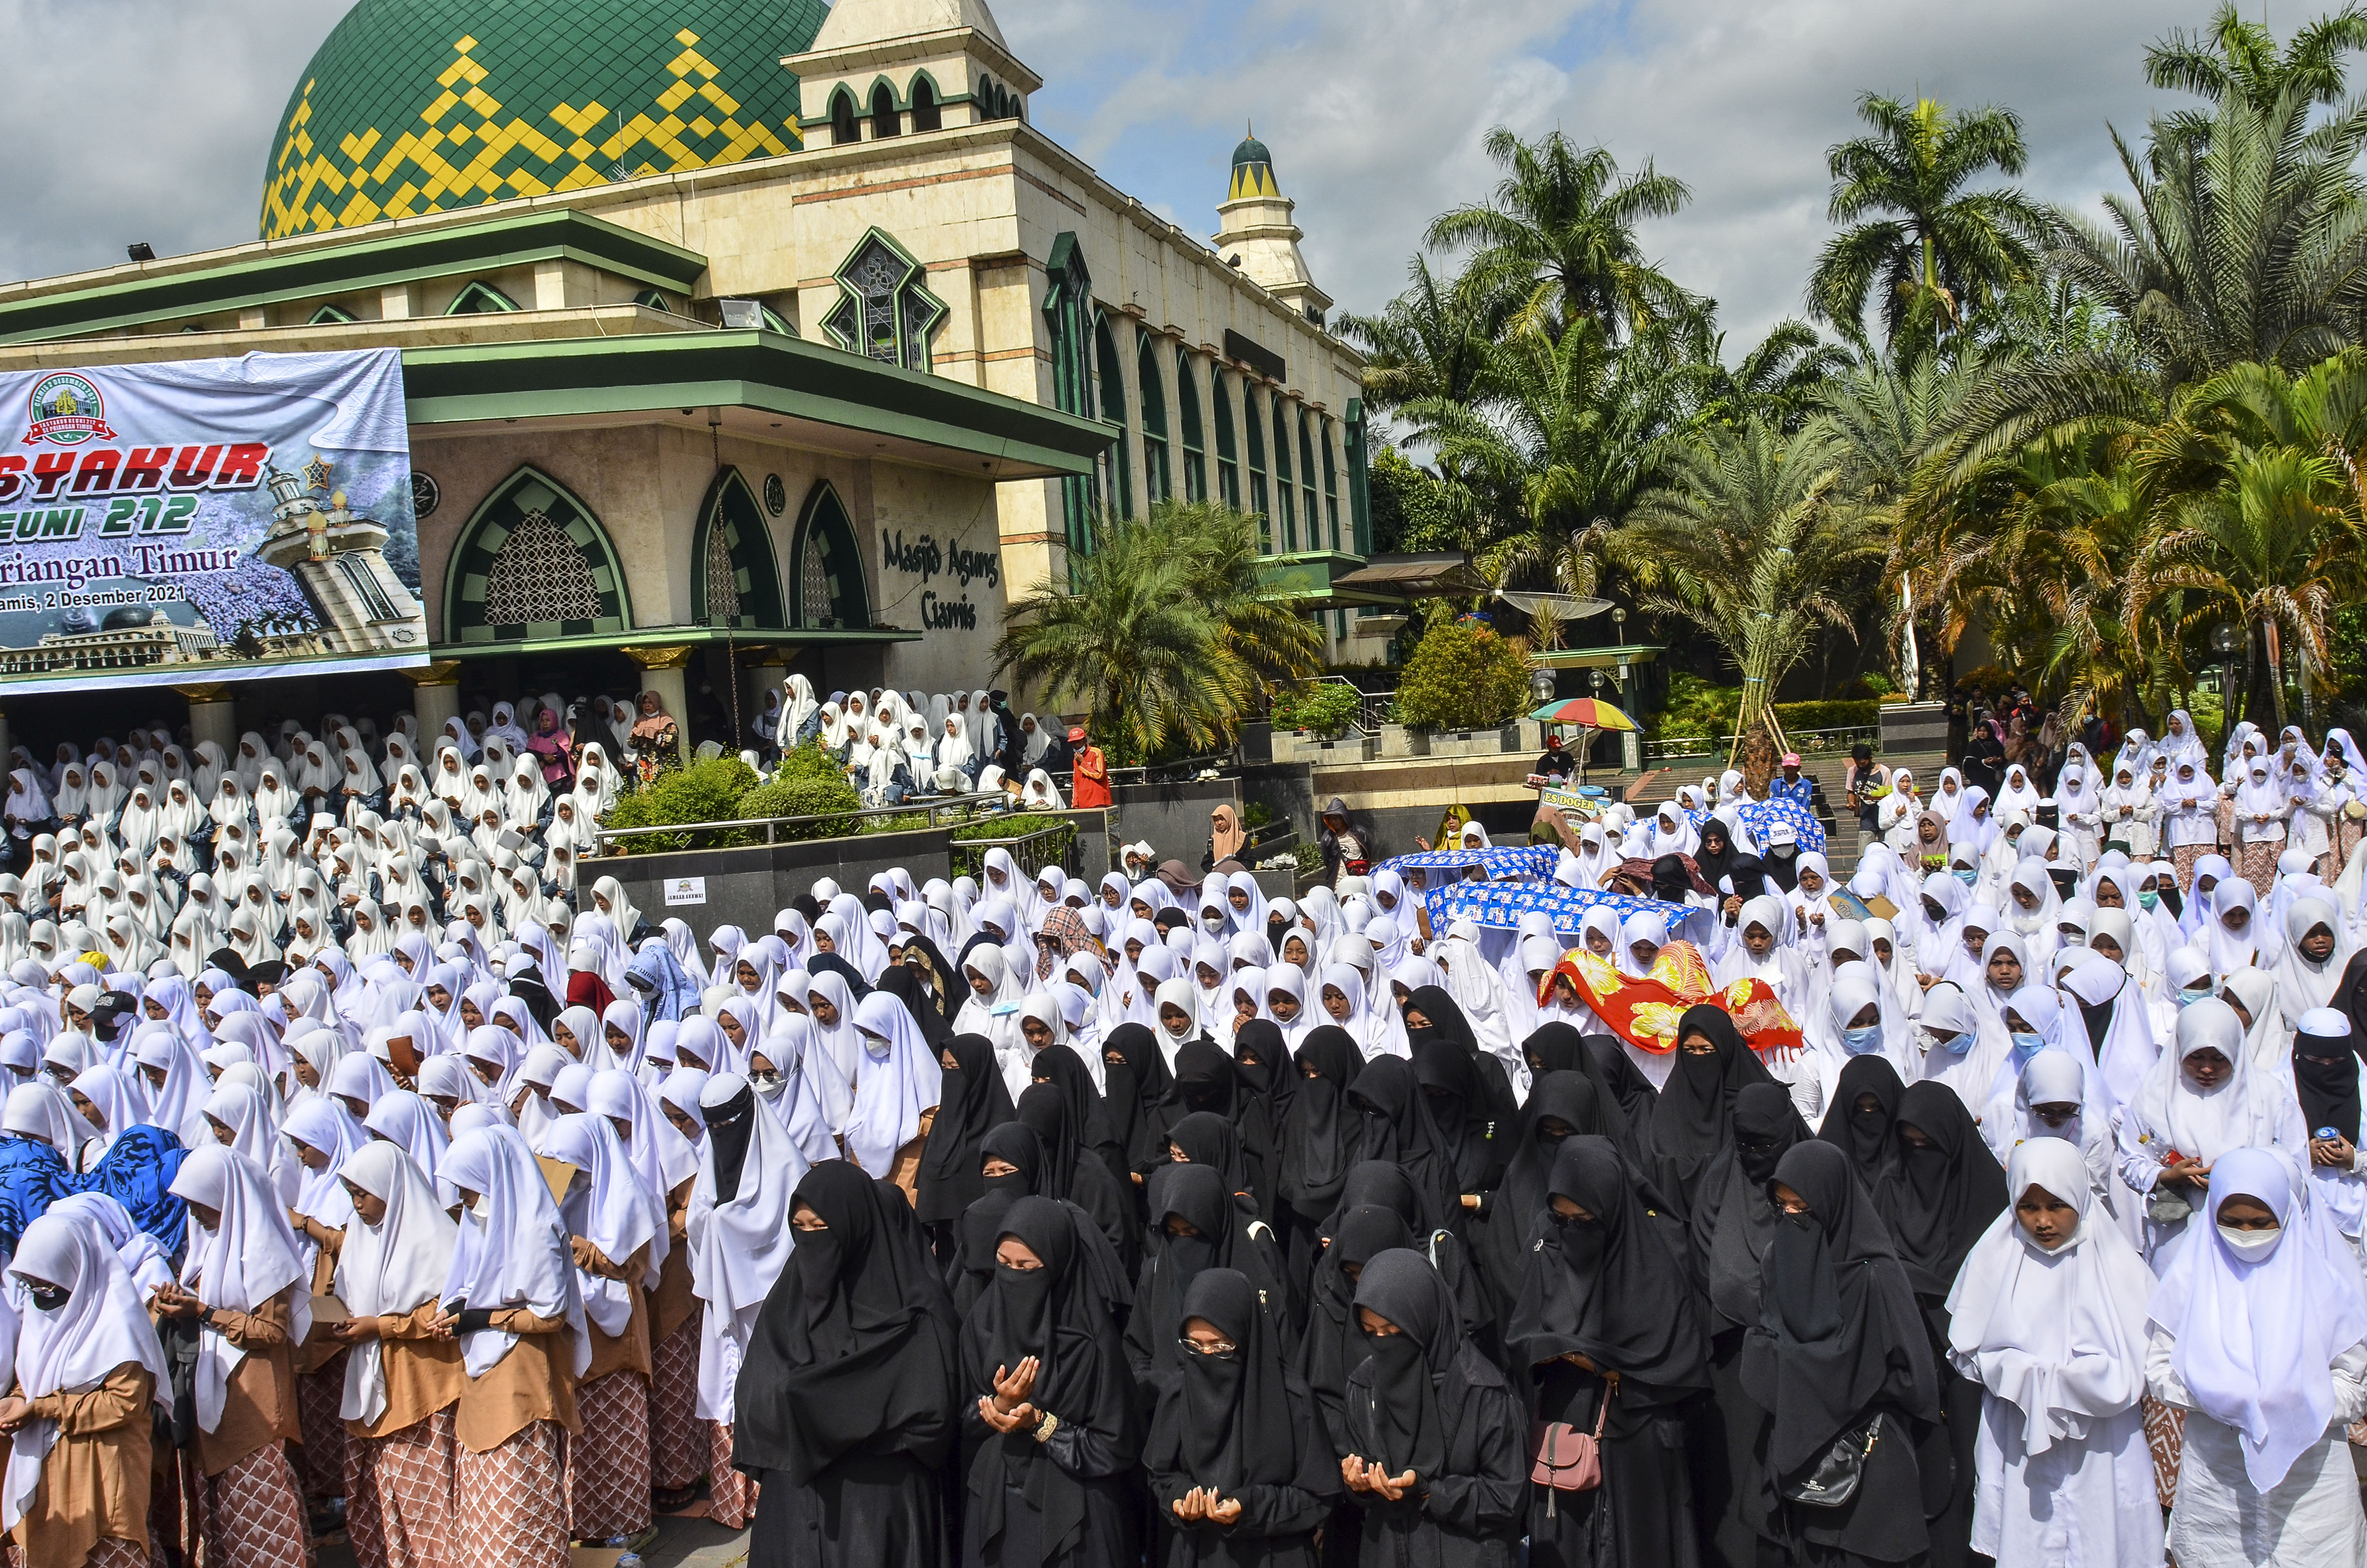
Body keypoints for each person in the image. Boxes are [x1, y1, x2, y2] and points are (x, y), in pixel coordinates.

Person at [1943, 1138, 2162, 1567]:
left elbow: (2145, 1357)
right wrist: (2019, 1375)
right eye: (2028, 1208)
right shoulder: (1994, 1259)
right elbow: (1967, 1350)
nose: (2043, 1222)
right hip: (2017, 1432)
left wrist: (2077, 1383)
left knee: (2102, 1536)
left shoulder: (2117, 1267)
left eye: (2057, 1205)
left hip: (2102, 1439)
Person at [2144, 1147, 2367, 1565]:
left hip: (2312, 1490)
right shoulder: (2190, 1281)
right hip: (2219, 1483)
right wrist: (2222, 1395)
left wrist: (2297, 1399)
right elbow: (2159, 1370)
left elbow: (2353, 1385)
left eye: (2260, 1223)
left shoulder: (2325, 1289)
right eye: (2230, 1223)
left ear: (2286, 1217)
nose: (2245, 1233)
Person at [734, 1161, 960, 1568]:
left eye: (821, 1229)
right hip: (795, 1513)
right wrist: (851, 1408)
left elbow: (932, 1419)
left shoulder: (915, 1315)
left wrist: (815, 1407)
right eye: (799, 1229)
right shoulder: (787, 1309)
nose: (811, 1243)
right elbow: (757, 1403)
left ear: (855, 1228)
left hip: (878, 1513)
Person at [1508, 1136, 1713, 1568]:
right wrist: (1574, 1357)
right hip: (1566, 1432)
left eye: (1583, 1220)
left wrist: (1608, 1366)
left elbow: (1682, 1363)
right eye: (1561, 1218)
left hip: (1637, 1444)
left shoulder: (1653, 1263)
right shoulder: (1549, 1248)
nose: (1570, 1230)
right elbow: (1522, 1338)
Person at [1743, 1140, 1941, 1568]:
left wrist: (1817, 1375)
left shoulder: (1876, 1278)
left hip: (1867, 1472)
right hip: (1792, 1455)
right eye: (1783, 1208)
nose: (1793, 1219)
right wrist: (1829, 1373)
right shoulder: (1779, 1259)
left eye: (1804, 1208)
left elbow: (1913, 1379)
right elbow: (1764, 1344)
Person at [958, 1193, 1139, 1568]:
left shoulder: (1091, 1343)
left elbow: (1117, 1445)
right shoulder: (983, 1324)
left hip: (1075, 1516)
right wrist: (997, 1408)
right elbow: (958, 1417)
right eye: (1003, 1264)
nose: (1013, 1277)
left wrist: (1040, 1423)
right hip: (996, 1503)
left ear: (1056, 1268)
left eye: (1027, 1268)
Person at [156, 1144, 314, 1568]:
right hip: (215, 1392)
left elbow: (270, 1331)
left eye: (201, 1205)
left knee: (259, 1516)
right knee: (221, 1519)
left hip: (254, 1399)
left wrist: (204, 1312)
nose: (195, 1216)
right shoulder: (207, 1246)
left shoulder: (264, 1252)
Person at [436, 1125, 586, 1568]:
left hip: (524, 1366)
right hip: (485, 1365)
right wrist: (457, 1312)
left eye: (468, 1189)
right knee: (486, 1482)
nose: (464, 1201)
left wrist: (480, 1318)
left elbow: (550, 1315)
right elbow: (468, 1282)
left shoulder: (536, 1227)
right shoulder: (483, 1221)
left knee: (518, 1487)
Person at [1, 1209, 172, 1568]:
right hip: (48, 1467)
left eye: (47, 1287)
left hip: (103, 1467)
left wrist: (43, 1408)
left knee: (102, 1551)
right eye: (31, 1287)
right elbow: (30, 1376)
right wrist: (17, 1400)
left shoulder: (118, 1324)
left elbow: (125, 1402)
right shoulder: (42, 1316)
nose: (40, 1296)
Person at [1337, 1248, 1526, 1567]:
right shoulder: (1364, 1385)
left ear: (1423, 1321)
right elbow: (1359, 1464)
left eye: (1394, 1331)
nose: (1384, 1344)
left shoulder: (1481, 1391)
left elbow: (1507, 1497)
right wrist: (1359, 1482)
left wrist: (1430, 1492)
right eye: (1372, 1334)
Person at [1142, 1266, 1339, 1568]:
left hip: (1276, 1555)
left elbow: (1318, 1497)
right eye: (1195, 1347)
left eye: (1220, 1348)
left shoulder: (1291, 1400)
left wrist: (1251, 1507)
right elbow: (1161, 1474)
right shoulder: (1179, 1394)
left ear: (1246, 1338)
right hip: (1200, 1554)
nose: (1207, 1359)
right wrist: (1182, 1500)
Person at [331, 1140, 465, 1568]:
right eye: (351, 1195)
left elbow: (447, 1313)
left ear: (390, 1189)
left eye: (362, 1194)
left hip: (423, 1389)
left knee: (427, 1498)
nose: (357, 1206)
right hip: (374, 1382)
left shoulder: (435, 1238)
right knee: (384, 1499)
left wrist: (382, 1326)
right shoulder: (362, 1239)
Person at [1069, 729, 1111, 810]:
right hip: (1083, 804)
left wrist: (1082, 763)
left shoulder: (1096, 752)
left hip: (1099, 802)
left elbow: (1099, 775)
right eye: (1074, 743)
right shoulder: (1076, 759)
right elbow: (1076, 783)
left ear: (1085, 740)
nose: (1077, 745)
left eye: (1079, 742)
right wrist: (1075, 804)